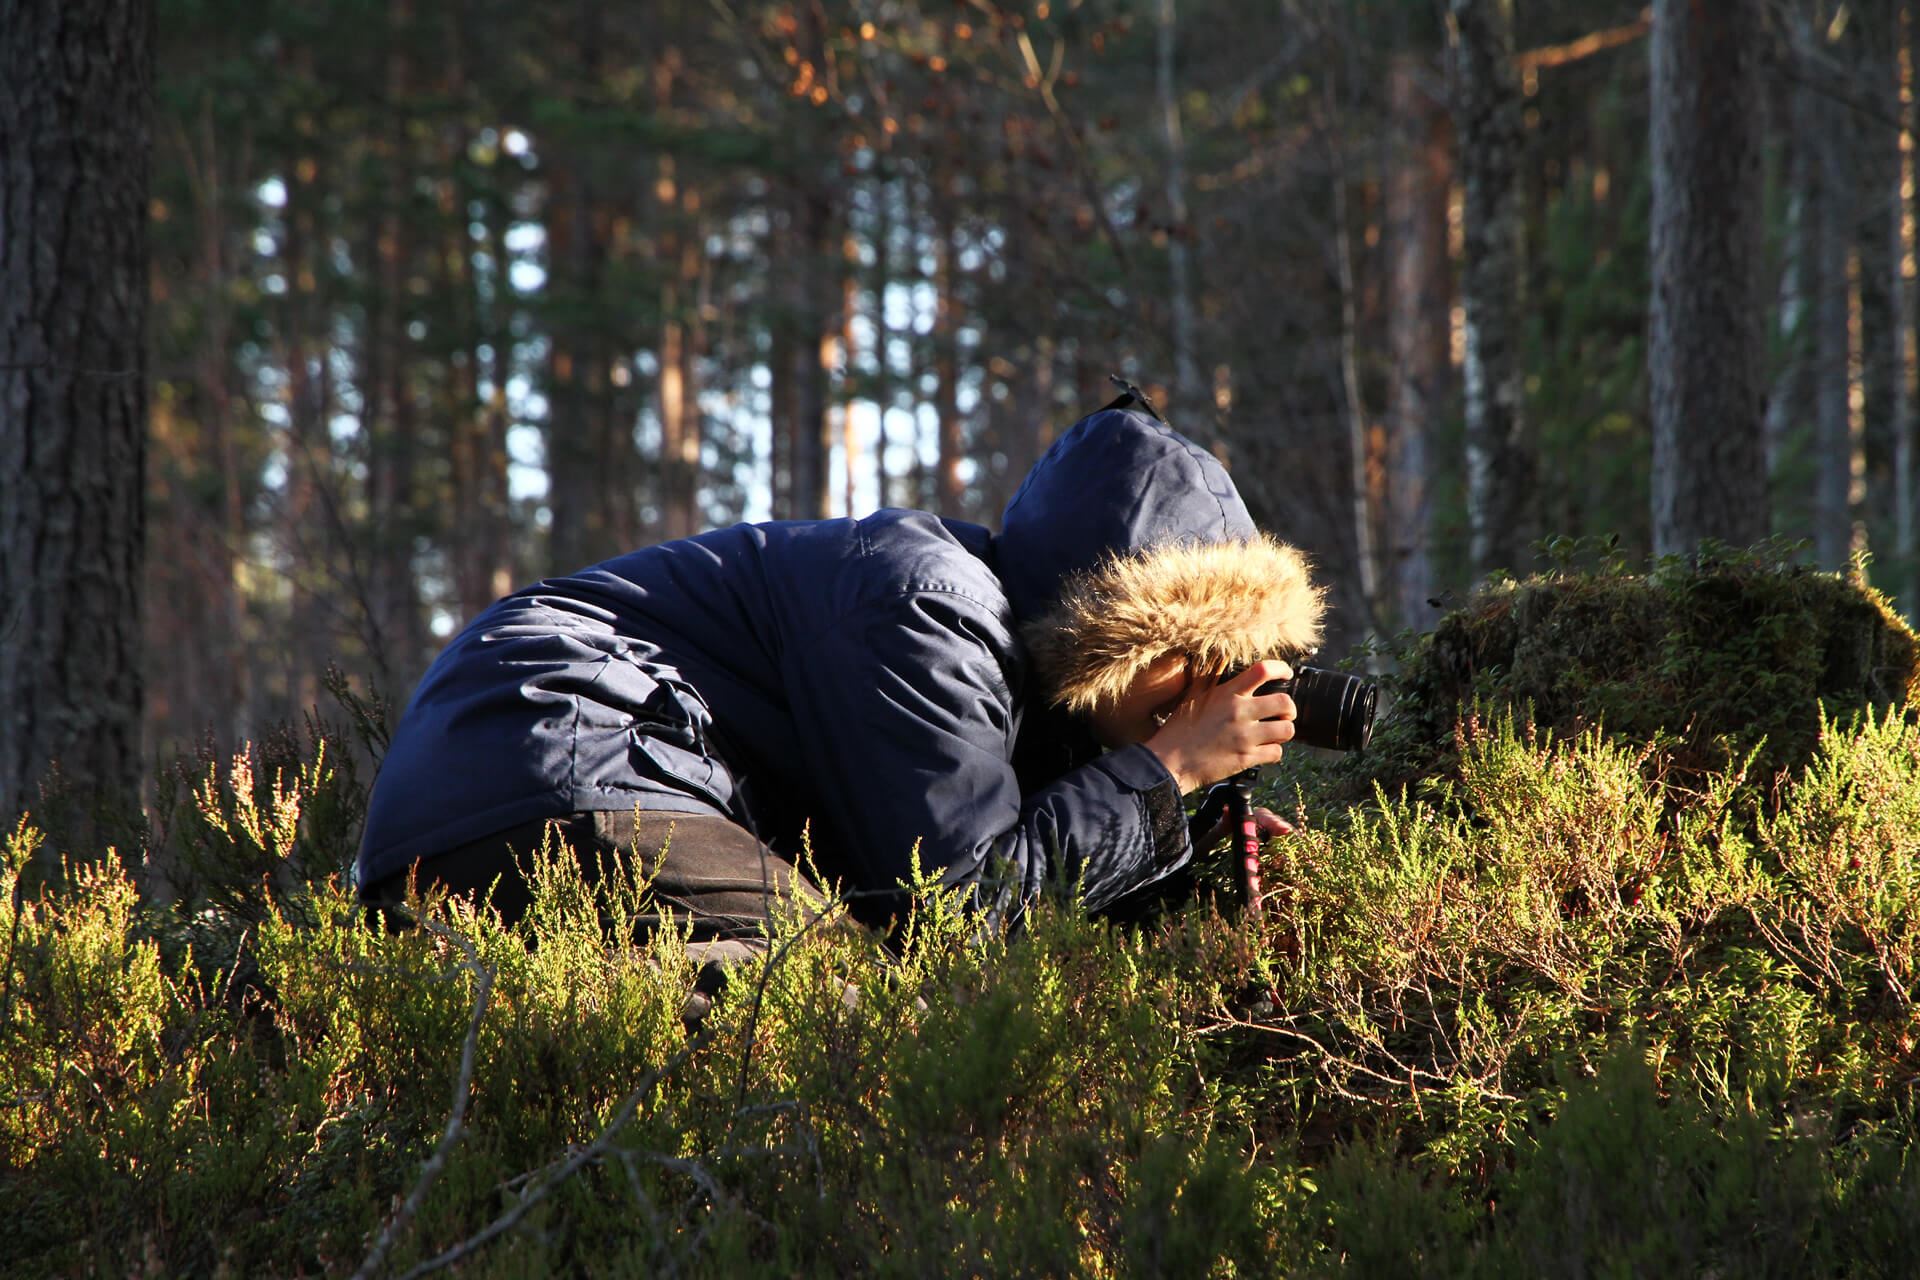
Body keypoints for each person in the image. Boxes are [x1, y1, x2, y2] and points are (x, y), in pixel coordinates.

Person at [353, 393, 1326, 951]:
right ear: (1095, 637)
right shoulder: (932, 606)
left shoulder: (998, 669)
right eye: (1186, 658)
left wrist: (1176, 866)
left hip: (500, 784)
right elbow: (948, 915)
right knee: (832, 1017)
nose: (1205, 692)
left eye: (1225, 662)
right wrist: (1166, 775)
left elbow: (974, 854)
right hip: (569, 760)